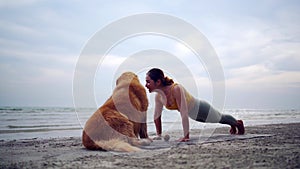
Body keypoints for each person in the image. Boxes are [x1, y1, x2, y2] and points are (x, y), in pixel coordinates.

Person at [145, 68, 245, 142]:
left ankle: (238, 123)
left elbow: (183, 113)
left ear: (158, 82)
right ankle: (232, 124)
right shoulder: (158, 97)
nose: (146, 85)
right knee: (218, 120)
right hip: (193, 115)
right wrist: (159, 135)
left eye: (148, 82)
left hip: (201, 108)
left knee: (219, 118)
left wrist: (186, 136)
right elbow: (157, 117)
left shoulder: (176, 89)